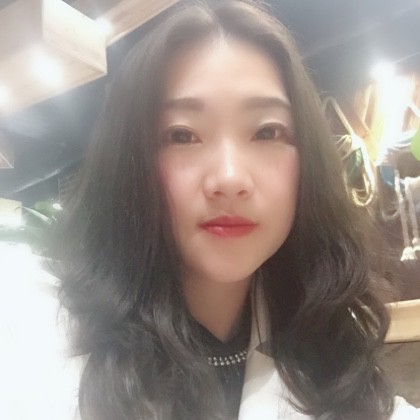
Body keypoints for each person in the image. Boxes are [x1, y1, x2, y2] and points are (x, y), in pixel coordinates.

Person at [41, 0, 419, 419]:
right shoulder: (34, 342)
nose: (230, 177)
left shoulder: (335, 351)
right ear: (128, 161)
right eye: (181, 135)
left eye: (267, 131)